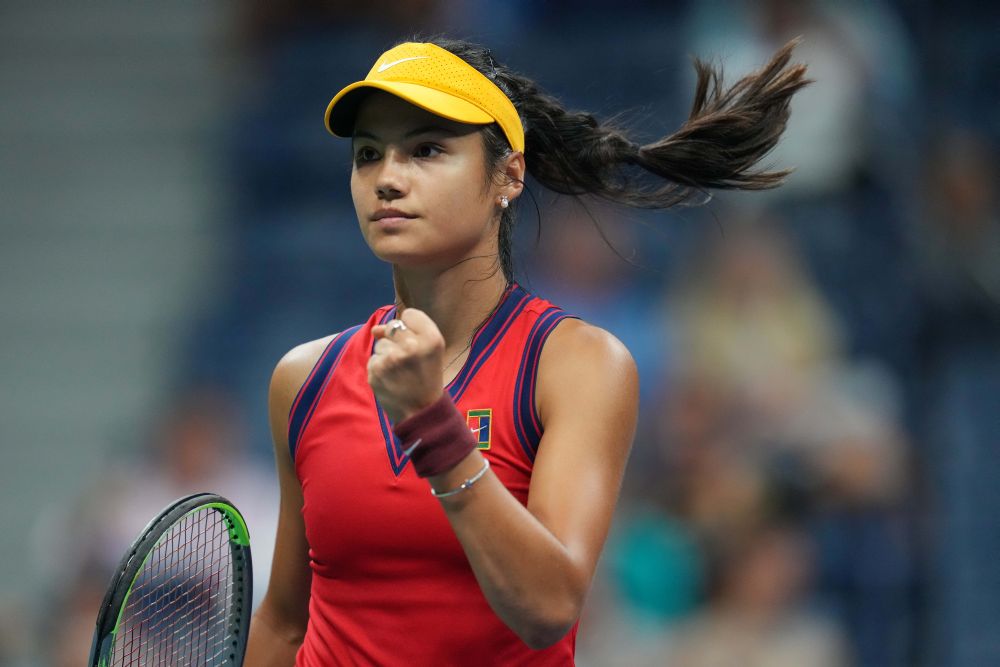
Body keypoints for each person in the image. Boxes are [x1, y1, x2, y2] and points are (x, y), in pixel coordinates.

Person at [244, 37, 808, 665]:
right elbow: (285, 623)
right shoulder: (303, 379)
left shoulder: (580, 365)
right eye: (368, 154)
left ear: (508, 174)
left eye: (427, 149)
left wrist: (432, 423)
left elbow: (549, 606)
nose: (388, 179)